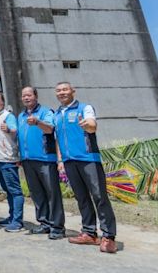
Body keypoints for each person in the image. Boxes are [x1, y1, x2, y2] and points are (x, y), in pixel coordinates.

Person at [54, 82, 117, 253]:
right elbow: (58, 139)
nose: (62, 93)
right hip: (69, 161)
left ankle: (109, 237)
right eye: (58, 91)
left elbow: (92, 124)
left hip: (89, 159)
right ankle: (89, 232)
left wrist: (87, 125)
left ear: (73, 91)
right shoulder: (57, 114)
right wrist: (60, 161)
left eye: (65, 89)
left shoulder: (84, 108)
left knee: (99, 196)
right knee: (81, 197)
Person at [18, 86, 65, 240]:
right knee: (37, 193)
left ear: (36, 96)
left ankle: (57, 227)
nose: (26, 98)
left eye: (29, 95)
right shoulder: (20, 116)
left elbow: (50, 129)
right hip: (27, 161)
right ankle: (44, 223)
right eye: (24, 96)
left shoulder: (46, 112)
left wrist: (38, 122)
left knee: (52, 193)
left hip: (45, 159)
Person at [0, 91, 24, 233]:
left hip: (8, 158)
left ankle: (17, 221)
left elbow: (15, 130)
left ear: (2, 101)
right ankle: (11, 217)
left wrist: (9, 129)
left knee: (15, 191)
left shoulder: (7, 116)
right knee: (7, 190)